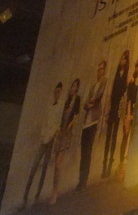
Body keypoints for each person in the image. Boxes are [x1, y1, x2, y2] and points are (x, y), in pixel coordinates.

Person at [21, 81, 64, 207]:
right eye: (55, 92)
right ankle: (25, 195)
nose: (56, 94)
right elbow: (45, 122)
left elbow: (57, 124)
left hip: (51, 139)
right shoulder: (50, 106)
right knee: (34, 166)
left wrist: (51, 136)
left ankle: (37, 195)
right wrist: (43, 135)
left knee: (44, 168)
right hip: (44, 138)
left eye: (58, 92)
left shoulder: (60, 107)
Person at [50, 78, 81, 205]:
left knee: (58, 164)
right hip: (60, 132)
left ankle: (55, 192)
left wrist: (69, 126)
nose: (73, 88)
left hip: (67, 133)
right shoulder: (66, 101)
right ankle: (54, 189)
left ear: (77, 88)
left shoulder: (77, 100)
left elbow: (76, 116)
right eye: (72, 86)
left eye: (75, 86)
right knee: (56, 165)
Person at [78, 60, 107, 190]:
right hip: (86, 121)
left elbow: (97, 98)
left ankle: (84, 181)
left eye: (102, 69)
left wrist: (90, 104)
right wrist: (88, 104)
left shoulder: (103, 83)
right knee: (83, 151)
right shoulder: (92, 87)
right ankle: (80, 180)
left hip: (94, 120)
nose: (99, 72)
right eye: (98, 69)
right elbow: (86, 104)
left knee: (88, 151)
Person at [101, 50, 130, 178]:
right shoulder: (117, 74)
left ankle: (110, 163)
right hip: (113, 106)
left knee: (113, 136)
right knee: (108, 136)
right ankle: (104, 164)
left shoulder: (126, 76)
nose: (122, 61)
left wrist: (121, 110)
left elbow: (124, 94)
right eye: (121, 59)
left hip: (119, 108)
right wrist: (108, 110)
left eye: (124, 59)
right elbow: (112, 92)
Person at [118, 54, 138, 181]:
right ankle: (122, 167)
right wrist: (128, 115)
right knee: (127, 139)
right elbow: (129, 100)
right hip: (131, 113)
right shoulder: (132, 82)